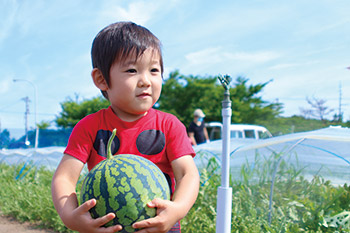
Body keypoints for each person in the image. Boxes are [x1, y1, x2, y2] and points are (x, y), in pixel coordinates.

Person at [51, 22, 199, 233]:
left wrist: (178, 209)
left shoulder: (169, 125)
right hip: (108, 227)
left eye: (154, 70)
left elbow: (188, 175)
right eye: (132, 70)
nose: (146, 81)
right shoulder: (90, 127)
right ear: (101, 79)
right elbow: (64, 178)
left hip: (160, 227)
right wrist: (69, 216)